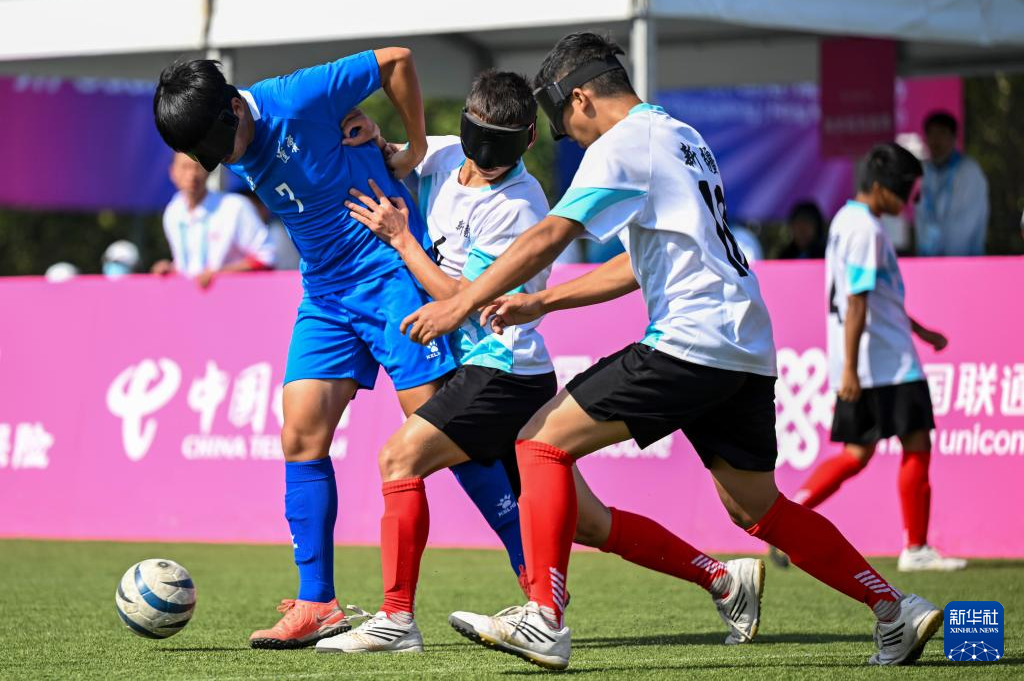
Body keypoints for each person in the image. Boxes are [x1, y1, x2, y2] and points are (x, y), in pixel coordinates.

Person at [400, 33, 942, 670]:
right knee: (755, 508)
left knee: (538, 442)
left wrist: (461, 302)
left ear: (581, 98)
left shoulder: (621, 144)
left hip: (691, 337)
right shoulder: (683, 137)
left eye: (565, 124)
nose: (571, 138)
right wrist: (542, 301)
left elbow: (550, 235)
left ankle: (544, 617)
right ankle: (895, 609)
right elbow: (638, 265)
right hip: (745, 344)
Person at [314, 71, 763, 655]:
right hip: (501, 373)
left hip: (502, 369)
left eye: (501, 150)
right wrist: (375, 136)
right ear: (467, 126)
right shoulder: (444, 156)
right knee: (590, 523)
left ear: (528, 141)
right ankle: (724, 579)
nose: (487, 161)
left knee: (399, 457)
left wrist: (402, 241)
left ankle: (397, 619)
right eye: (479, 143)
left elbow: (466, 304)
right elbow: (399, 155)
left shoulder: (522, 206)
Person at [152, 51, 526, 650]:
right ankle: (317, 603)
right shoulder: (221, 131)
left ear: (233, 108)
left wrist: (412, 146)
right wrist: (360, 134)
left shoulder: (296, 96)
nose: (221, 159)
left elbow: (398, 60)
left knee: (442, 435)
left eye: (217, 144)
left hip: (388, 273)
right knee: (300, 433)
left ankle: (535, 582)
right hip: (324, 292)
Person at [771, 144, 966, 574]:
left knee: (856, 453)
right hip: (887, 361)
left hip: (868, 359)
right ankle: (916, 548)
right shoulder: (867, 231)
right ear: (879, 187)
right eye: (904, 191)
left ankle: (787, 519)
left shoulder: (846, 220)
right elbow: (857, 301)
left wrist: (919, 330)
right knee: (917, 443)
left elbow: (876, 298)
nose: (908, 201)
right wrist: (849, 368)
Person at [152, 153, 276, 288]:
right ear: (173, 172)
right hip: (190, 298)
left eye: (197, 167)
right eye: (185, 167)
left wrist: (221, 274)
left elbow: (267, 257)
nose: (192, 174)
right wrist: (171, 269)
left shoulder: (235, 207)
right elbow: (191, 266)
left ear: (208, 170)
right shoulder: (173, 212)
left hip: (235, 295)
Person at [915, 111, 989, 256]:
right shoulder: (923, 173)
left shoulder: (969, 171)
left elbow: (968, 223)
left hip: (965, 259)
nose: (936, 140)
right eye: (931, 134)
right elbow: (920, 218)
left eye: (942, 133)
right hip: (928, 261)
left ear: (953, 138)